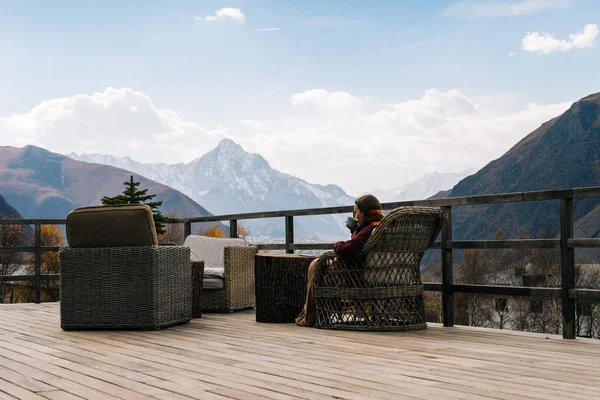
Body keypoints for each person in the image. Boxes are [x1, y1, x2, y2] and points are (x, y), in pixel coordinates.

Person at [295, 194, 384, 327]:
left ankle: (311, 316)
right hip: (383, 274)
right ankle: (315, 313)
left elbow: (347, 250)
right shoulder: (381, 228)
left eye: (357, 212)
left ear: (365, 213)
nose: (356, 216)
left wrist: (337, 244)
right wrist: (355, 231)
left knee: (316, 264)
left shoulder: (368, 230)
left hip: (356, 277)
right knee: (318, 264)